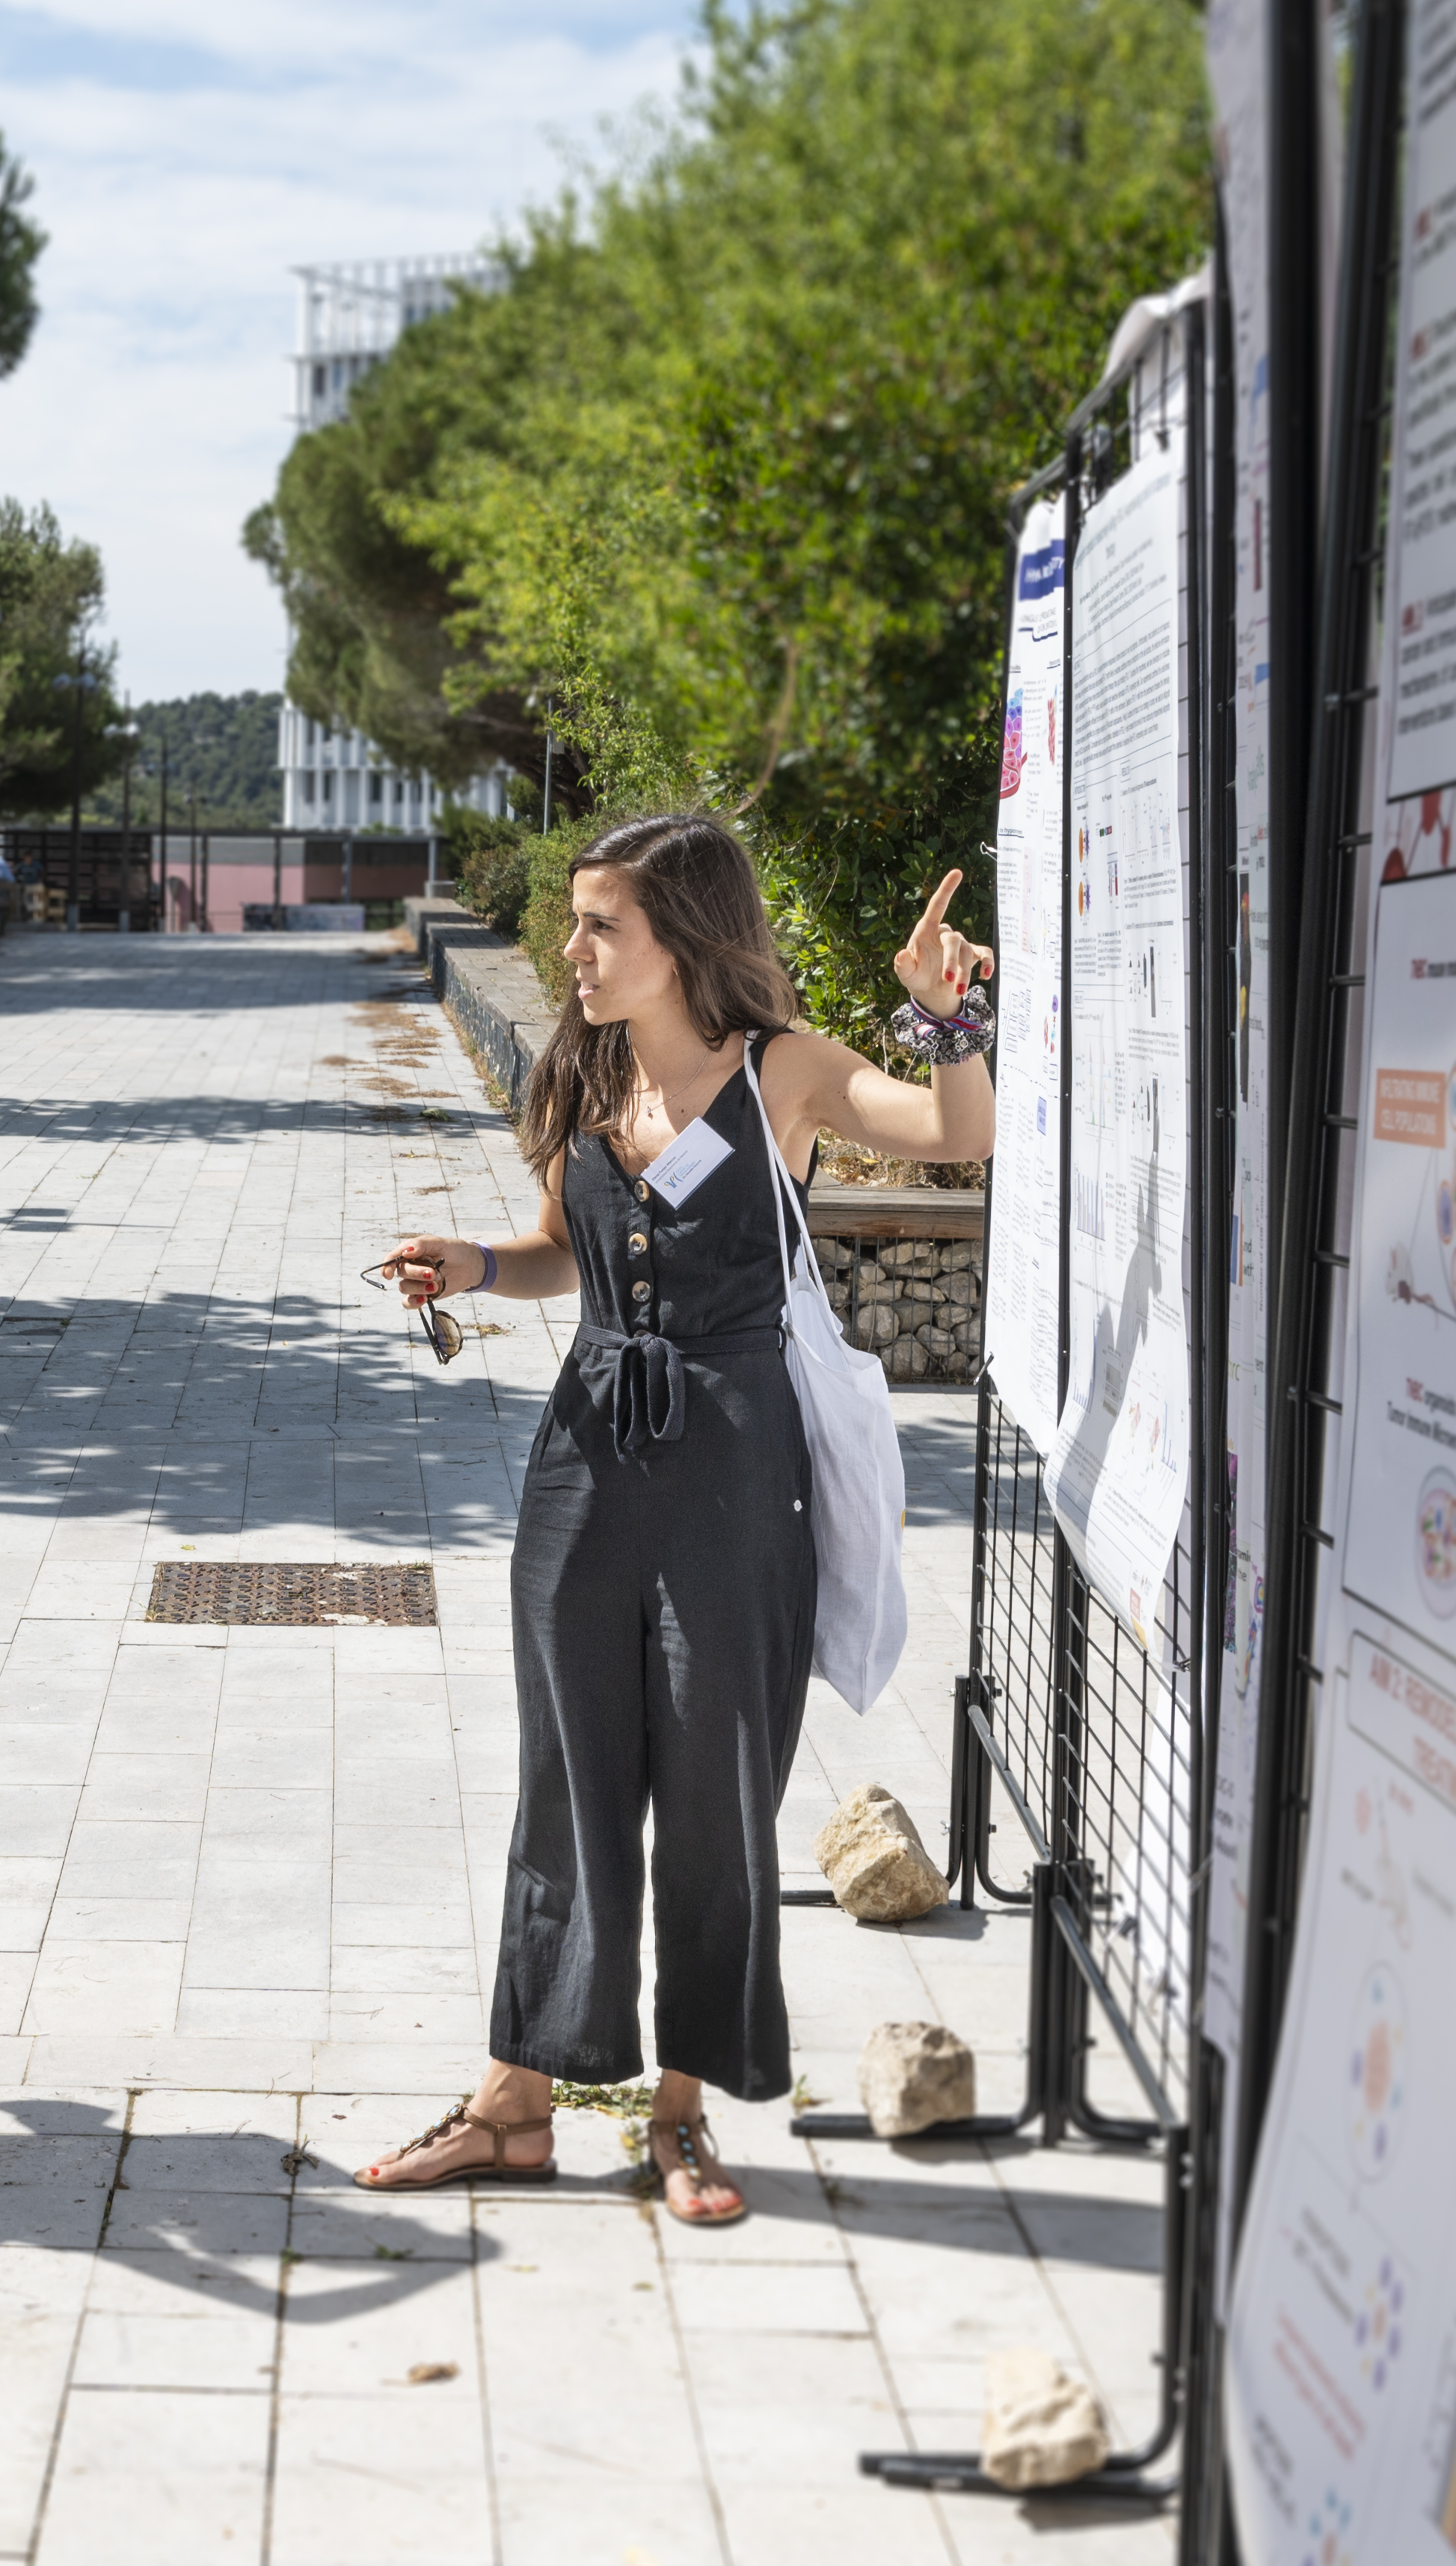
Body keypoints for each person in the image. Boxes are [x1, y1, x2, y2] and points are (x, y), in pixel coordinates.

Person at [355, 818, 992, 2226]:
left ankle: (683, 2111)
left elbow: (957, 1135)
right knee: (563, 1782)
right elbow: (560, 1254)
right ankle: (516, 2099)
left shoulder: (788, 1071)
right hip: (585, 1457)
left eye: (601, 928)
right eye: (577, 925)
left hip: (735, 1460)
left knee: (716, 1790)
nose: (573, 951)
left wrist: (949, 1017)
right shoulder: (582, 1068)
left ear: (684, 936)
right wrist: (471, 1263)